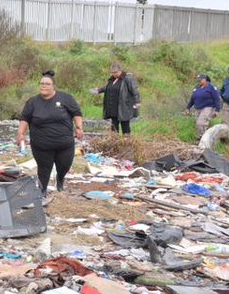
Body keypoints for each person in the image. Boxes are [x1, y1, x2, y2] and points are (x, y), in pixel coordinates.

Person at [17, 71, 83, 201]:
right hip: (41, 144)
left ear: (54, 86)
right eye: (41, 84)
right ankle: (42, 191)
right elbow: (24, 118)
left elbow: (76, 113)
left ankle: (60, 179)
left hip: (64, 143)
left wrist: (79, 128)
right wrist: (21, 133)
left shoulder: (65, 99)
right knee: (44, 168)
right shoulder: (33, 102)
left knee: (64, 166)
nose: (44, 86)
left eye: (47, 84)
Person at [89, 63, 141, 134]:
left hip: (124, 107)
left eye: (115, 72)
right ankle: (114, 141)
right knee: (114, 126)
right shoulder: (112, 79)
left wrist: (137, 102)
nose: (114, 74)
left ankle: (127, 142)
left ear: (120, 71)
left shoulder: (127, 79)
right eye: (112, 72)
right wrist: (99, 90)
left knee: (125, 125)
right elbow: (108, 88)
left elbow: (135, 90)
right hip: (113, 107)